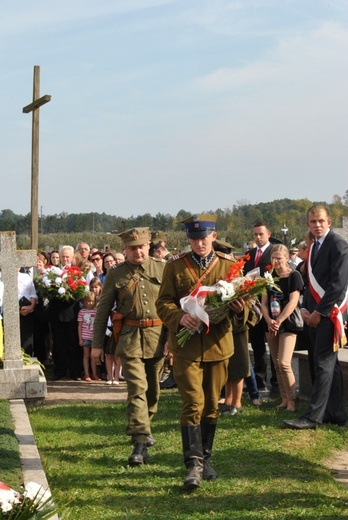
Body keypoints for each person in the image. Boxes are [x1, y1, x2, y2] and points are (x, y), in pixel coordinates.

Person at [156, 214, 241, 489]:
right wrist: (179, 317)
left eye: (203, 238)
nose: (199, 243)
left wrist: (241, 308)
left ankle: (205, 458)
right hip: (186, 348)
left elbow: (245, 307)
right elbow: (163, 302)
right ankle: (192, 464)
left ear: (213, 237)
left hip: (218, 345)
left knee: (212, 405)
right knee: (193, 402)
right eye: (193, 238)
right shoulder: (175, 267)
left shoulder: (228, 266)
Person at [92, 227, 165, 465]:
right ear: (125, 249)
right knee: (137, 388)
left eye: (141, 247)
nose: (137, 252)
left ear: (148, 246)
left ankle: (145, 425)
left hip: (158, 337)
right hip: (130, 338)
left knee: (153, 390)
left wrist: (173, 341)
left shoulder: (163, 269)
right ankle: (140, 440)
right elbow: (103, 310)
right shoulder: (116, 273)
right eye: (132, 248)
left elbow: (175, 307)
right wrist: (97, 344)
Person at [284, 205, 348, 429]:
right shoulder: (313, 247)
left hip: (329, 315)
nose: (317, 225)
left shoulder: (339, 245)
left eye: (321, 221)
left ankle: (313, 416)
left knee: (323, 363)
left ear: (329, 222)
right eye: (313, 222)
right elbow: (311, 283)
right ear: (308, 224)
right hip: (313, 314)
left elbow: (337, 285)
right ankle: (336, 412)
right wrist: (306, 310)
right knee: (325, 363)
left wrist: (319, 313)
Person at [261, 244, 303, 412]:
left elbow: (293, 301)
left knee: (284, 362)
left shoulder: (294, 276)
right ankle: (284, 398)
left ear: (286, 258)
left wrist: (279, 320)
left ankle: (292, 400)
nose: (276, 261)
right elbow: (263, 303)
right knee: (276, 363)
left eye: (279, 258)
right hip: (271, 322)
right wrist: (269, 319)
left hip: (288, 322)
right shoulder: (268, 277)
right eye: (273, 258)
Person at [243, 222, 277, 393]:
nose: (258, 237)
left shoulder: (274, 252)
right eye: (255, 234)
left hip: (271, 304)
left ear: (268, 234)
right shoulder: (249, 254)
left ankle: (276, 382)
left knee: (273, 344)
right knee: (256, 344)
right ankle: (260, 380)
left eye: (261, 234)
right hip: (253, 306)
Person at [49, 245, 83, 380]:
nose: (64, 259)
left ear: (72, 257)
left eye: (67, 256)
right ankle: (59, 371)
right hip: (56, 314)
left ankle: (75, 372)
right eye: (63, 256)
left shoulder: (78, 273)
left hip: (72, 313)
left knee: (73, 343)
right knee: (58, 343)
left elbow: (81, 293)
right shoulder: (52, 272)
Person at [78, 292, 100, 381]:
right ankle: (86, 374)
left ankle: (94, 374)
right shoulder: (81, 312)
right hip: (85, 337)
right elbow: (79, 326)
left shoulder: (96, 311)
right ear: (84, 301)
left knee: (93, 356)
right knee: (86, 355)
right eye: (88, 301)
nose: (90, 303)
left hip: (94, 337)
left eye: (92, 301)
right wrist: (80, 339)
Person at [18, 268, 37, 355]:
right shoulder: (1, 276)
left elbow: (33, 294)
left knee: (27, 340)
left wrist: (31, 307)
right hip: (9, 313)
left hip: (27, 311)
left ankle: (27, 359)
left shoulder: (25, 277)